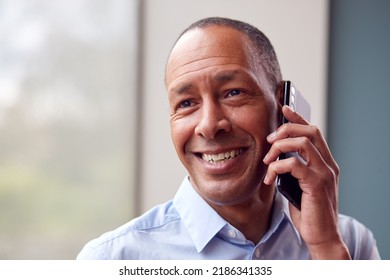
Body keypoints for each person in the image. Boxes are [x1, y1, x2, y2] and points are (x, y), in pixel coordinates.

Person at [77, 17, 380, 260]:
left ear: (283, 108)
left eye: (233, 93)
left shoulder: (350, 242)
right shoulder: (112, 259)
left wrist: (327, 249)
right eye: (186, 103)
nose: (209, 126)